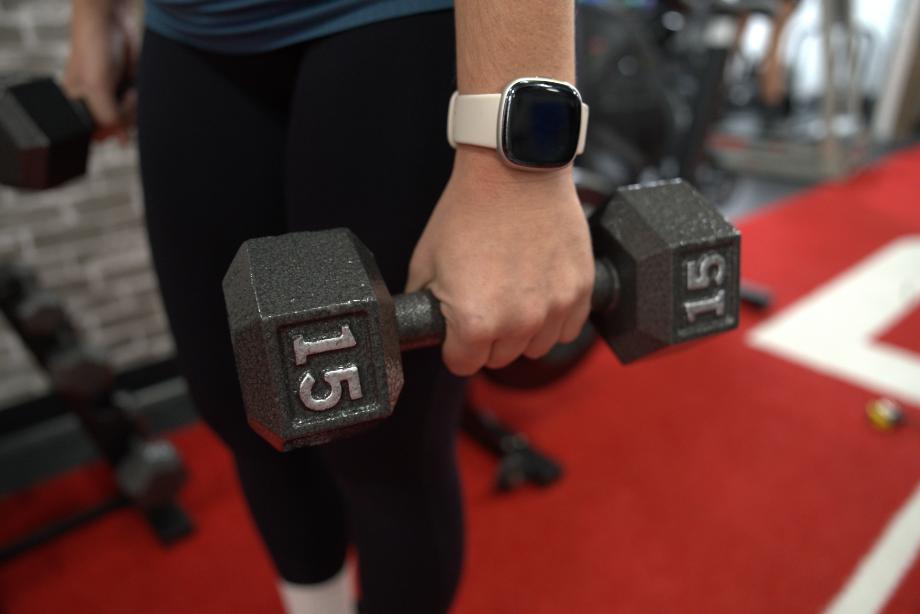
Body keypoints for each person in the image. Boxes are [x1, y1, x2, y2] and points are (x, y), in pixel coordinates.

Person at [65, 1, 594, 612]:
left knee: (377, 440)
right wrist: (92, 19)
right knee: (246, 406)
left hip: (387, 20)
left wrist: (517, 169)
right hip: (190, 31)